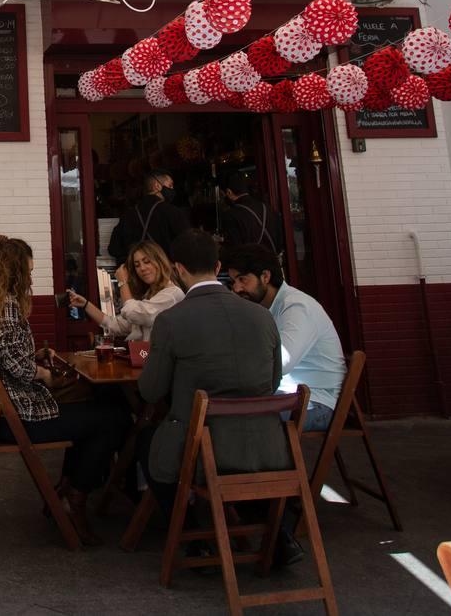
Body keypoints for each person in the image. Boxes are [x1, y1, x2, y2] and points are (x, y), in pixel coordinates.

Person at [137, 229, 303, 567]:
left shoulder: (171, 321)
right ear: (217, 266)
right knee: (236, 448)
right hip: (269, 449)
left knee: (146, 442)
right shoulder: (262, 316)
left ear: (177, 269)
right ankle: (276, 533)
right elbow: (271, 382)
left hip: (199, 449)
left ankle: (195, 535)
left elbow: (150, 391)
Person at [0, 235, 126, 546]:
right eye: (29, 272)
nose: (31, 279)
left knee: (94, 411)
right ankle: (72, 497)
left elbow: (5, 356)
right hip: (19, 417)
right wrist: (45, 374)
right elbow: (19, 369)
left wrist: (35, 356)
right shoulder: (8, 306)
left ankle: (65, 490)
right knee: (111, 419)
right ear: (15, 274)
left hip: (0, 413)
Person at [225, 244, 346, 431]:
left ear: (265, 277)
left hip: (316, 403)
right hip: (288, 397)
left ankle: (270, 461)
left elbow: (282, 361)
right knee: (223, 408)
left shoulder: (296, 307)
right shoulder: (264, 309)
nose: (236, 288)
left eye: (243, 279)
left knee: (231, 416)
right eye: (233, 281)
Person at [67, 241, 184, 343]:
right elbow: (116, 325)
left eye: (147, 261)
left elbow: (133, 313)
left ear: (160, 261)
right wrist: (86, 305)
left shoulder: (172, 294)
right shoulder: (150, 295)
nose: (142, 268)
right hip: (146, 361)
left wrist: (123, 282)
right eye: (137, 265)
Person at [108, 171, 190, 264]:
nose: (172, 189)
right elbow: (187, 245)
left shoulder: (128, 215)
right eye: (170, 186)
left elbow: (114, 248)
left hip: (138, 272)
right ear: (157, 186)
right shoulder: (173, 212)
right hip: (166, 271)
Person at [220, 173, 284, 256]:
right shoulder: (267, 208)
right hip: (273, 264)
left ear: (229, 192)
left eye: (223, 195)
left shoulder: (230, 215)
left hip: (251, 266)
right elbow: (280, 240)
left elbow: (235, 250)